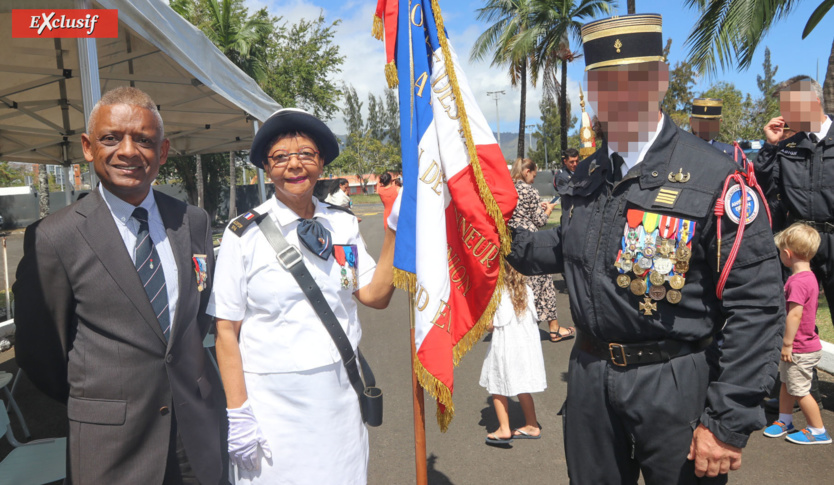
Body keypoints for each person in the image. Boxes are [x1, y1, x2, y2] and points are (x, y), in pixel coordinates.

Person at [506, 14, 783, 484]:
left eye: (633, 79)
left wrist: (728, 422)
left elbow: (756, 304)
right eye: (604, 82)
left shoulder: (714, 176)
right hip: (591, 380)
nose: (619, 95)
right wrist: (492, 232)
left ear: (660, 79)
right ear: (591, 90)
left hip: (674, 383)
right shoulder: (587, 173)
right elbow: (567, 246)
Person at [12, 87, 227, 484]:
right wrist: (106, 399)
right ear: (88, 147)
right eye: (111, 138)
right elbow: (41, 353)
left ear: (161, 153)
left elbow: (194, 321)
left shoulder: (191, 221)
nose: (128, 150)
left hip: (195, 432)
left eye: (143, 139)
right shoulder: (53, 238)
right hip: (112, 446)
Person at [209, 108, 396, 484]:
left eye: (306, 155)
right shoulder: (242, 235)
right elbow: (226, 329)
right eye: (281, 158)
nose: (294, 166)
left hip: (340, 396)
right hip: (274, 404)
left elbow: (375, 295)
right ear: (266, 166)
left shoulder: (342, 223)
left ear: (321, 162)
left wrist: (395, 229)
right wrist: (238, 412)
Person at [756, 75, 833, 324]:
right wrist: (770, 146)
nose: (784, 114)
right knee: (794, 323)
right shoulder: (786, 147)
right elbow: (763, 188)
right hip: (797, 246)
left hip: (832, 242)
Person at [763, 223, 831, 445]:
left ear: (787, 253)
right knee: (787, 383)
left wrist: (787, 344)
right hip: (801, 346)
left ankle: (818, 430)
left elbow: (794, 315)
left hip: (799, 348)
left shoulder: (797, 282)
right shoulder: (809, 277)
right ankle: (785, 420)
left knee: (801, 391)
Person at [480, 261, 547, 445]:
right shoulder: (526, 290)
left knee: (497, 385)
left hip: (505, 346)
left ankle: (504, 428)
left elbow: (489, 326)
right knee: (521, 385)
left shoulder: (497, 292)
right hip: (525, 348)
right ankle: (532, 424)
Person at [508, 158, 573, 342]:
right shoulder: (529, 191)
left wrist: (539, 207)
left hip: (514, 244)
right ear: (527, 171)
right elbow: (539, 221)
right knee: (543, 286)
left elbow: (522, 212)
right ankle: (551, 329)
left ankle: (541, 327)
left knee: (521, 288)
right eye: (533, 175)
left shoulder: (509, 188)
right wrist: (549, 209)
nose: (534, 179)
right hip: (532, 244)